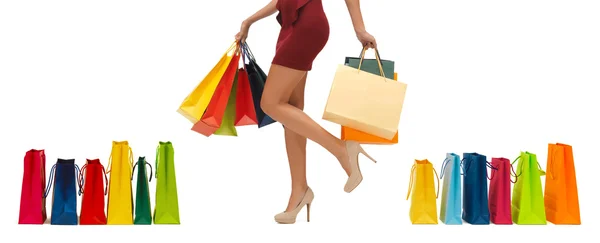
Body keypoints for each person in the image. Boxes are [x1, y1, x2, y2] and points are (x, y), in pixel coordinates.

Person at [235, 0, 378, 224]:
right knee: (290, 110)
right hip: (292, 27)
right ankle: (299, 191)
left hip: (305, 25)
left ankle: (341, 149)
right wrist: (249, 21)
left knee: (270, 103)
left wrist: (359, 29)